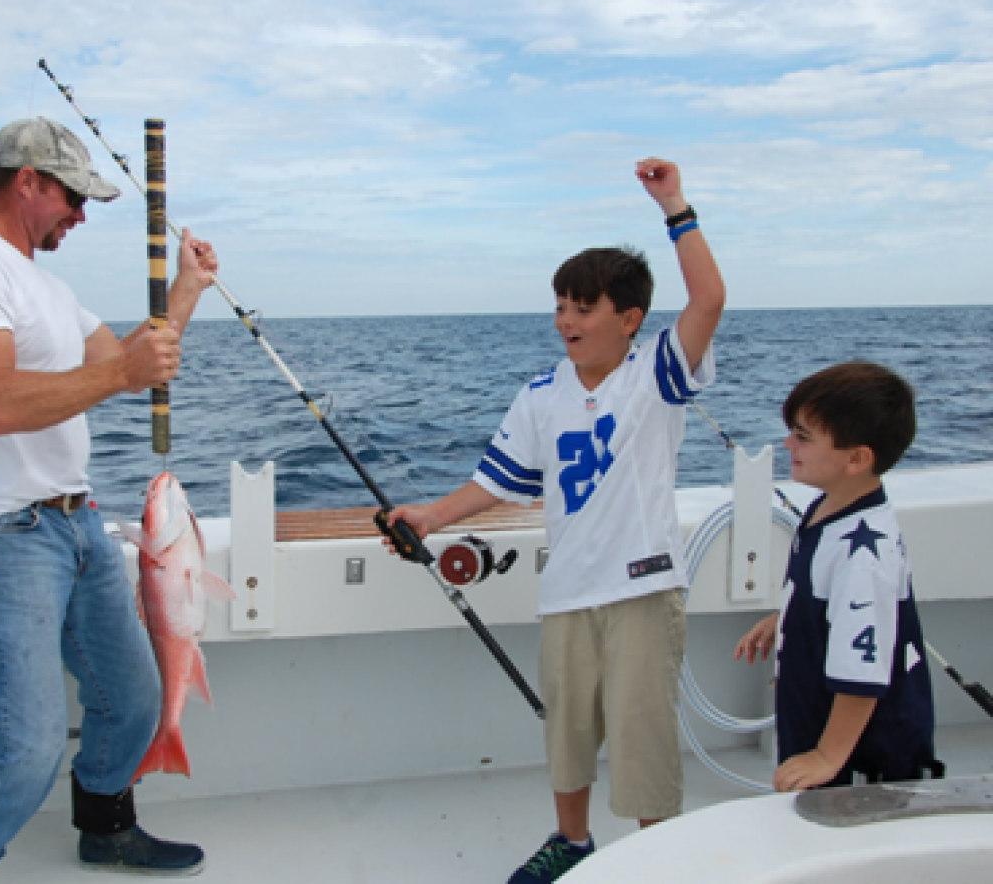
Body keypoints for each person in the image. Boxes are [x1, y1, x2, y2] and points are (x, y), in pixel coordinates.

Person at [387, 158, 724, 883]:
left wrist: (674, 206)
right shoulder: (539, 394)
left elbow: (708, 298)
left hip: (641, 591)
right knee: (566, 733)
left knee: (641, 738)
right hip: (567, 591)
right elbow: (495, 481)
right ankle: (571, 842)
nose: (563, 320)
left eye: (581, 307)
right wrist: (431, 517)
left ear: (628, 321)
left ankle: (654, 858)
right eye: (560, 305)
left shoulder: (657, 374)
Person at [0, 117, 219, 882]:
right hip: (1, 535)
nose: (81, 215)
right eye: (73, 197)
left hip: (76, 524)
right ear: (27, 181)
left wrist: (185, 292)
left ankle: (106, 828)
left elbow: (128, 363)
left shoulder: (48, 287)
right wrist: (120, 376)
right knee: (27, 739)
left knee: (134, 697)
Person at [735, 362, 940, 792]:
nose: (788, 443)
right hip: (816, 726)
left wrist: (827, 756)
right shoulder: (827, 508)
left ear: (857, 459)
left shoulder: (864, 557)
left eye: (803, 437)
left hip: (861, 762)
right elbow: (830, 599)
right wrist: (786, 619)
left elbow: (862, 674)